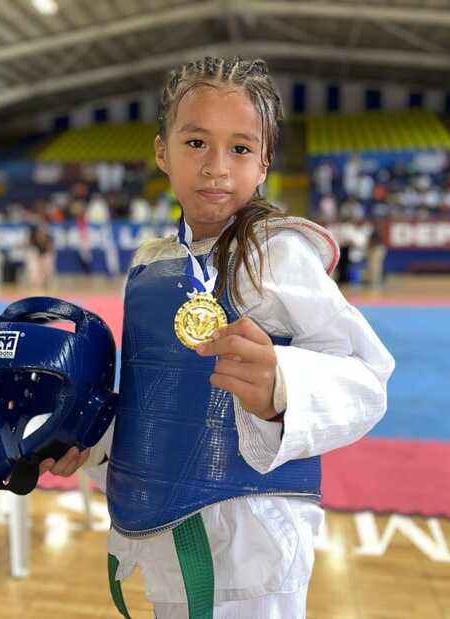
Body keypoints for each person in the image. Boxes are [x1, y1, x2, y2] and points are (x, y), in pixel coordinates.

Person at [39, 56, 395, 618]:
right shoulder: (151, 263)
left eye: (240, 149)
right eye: (197, 142)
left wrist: (283, 387)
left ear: (264, 164)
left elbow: (367, 376)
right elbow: (156, 396)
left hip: (252, 538)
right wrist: (89, 440)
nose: (217, 168)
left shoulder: (276, 254)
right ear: (162, 152)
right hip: (162, 519)